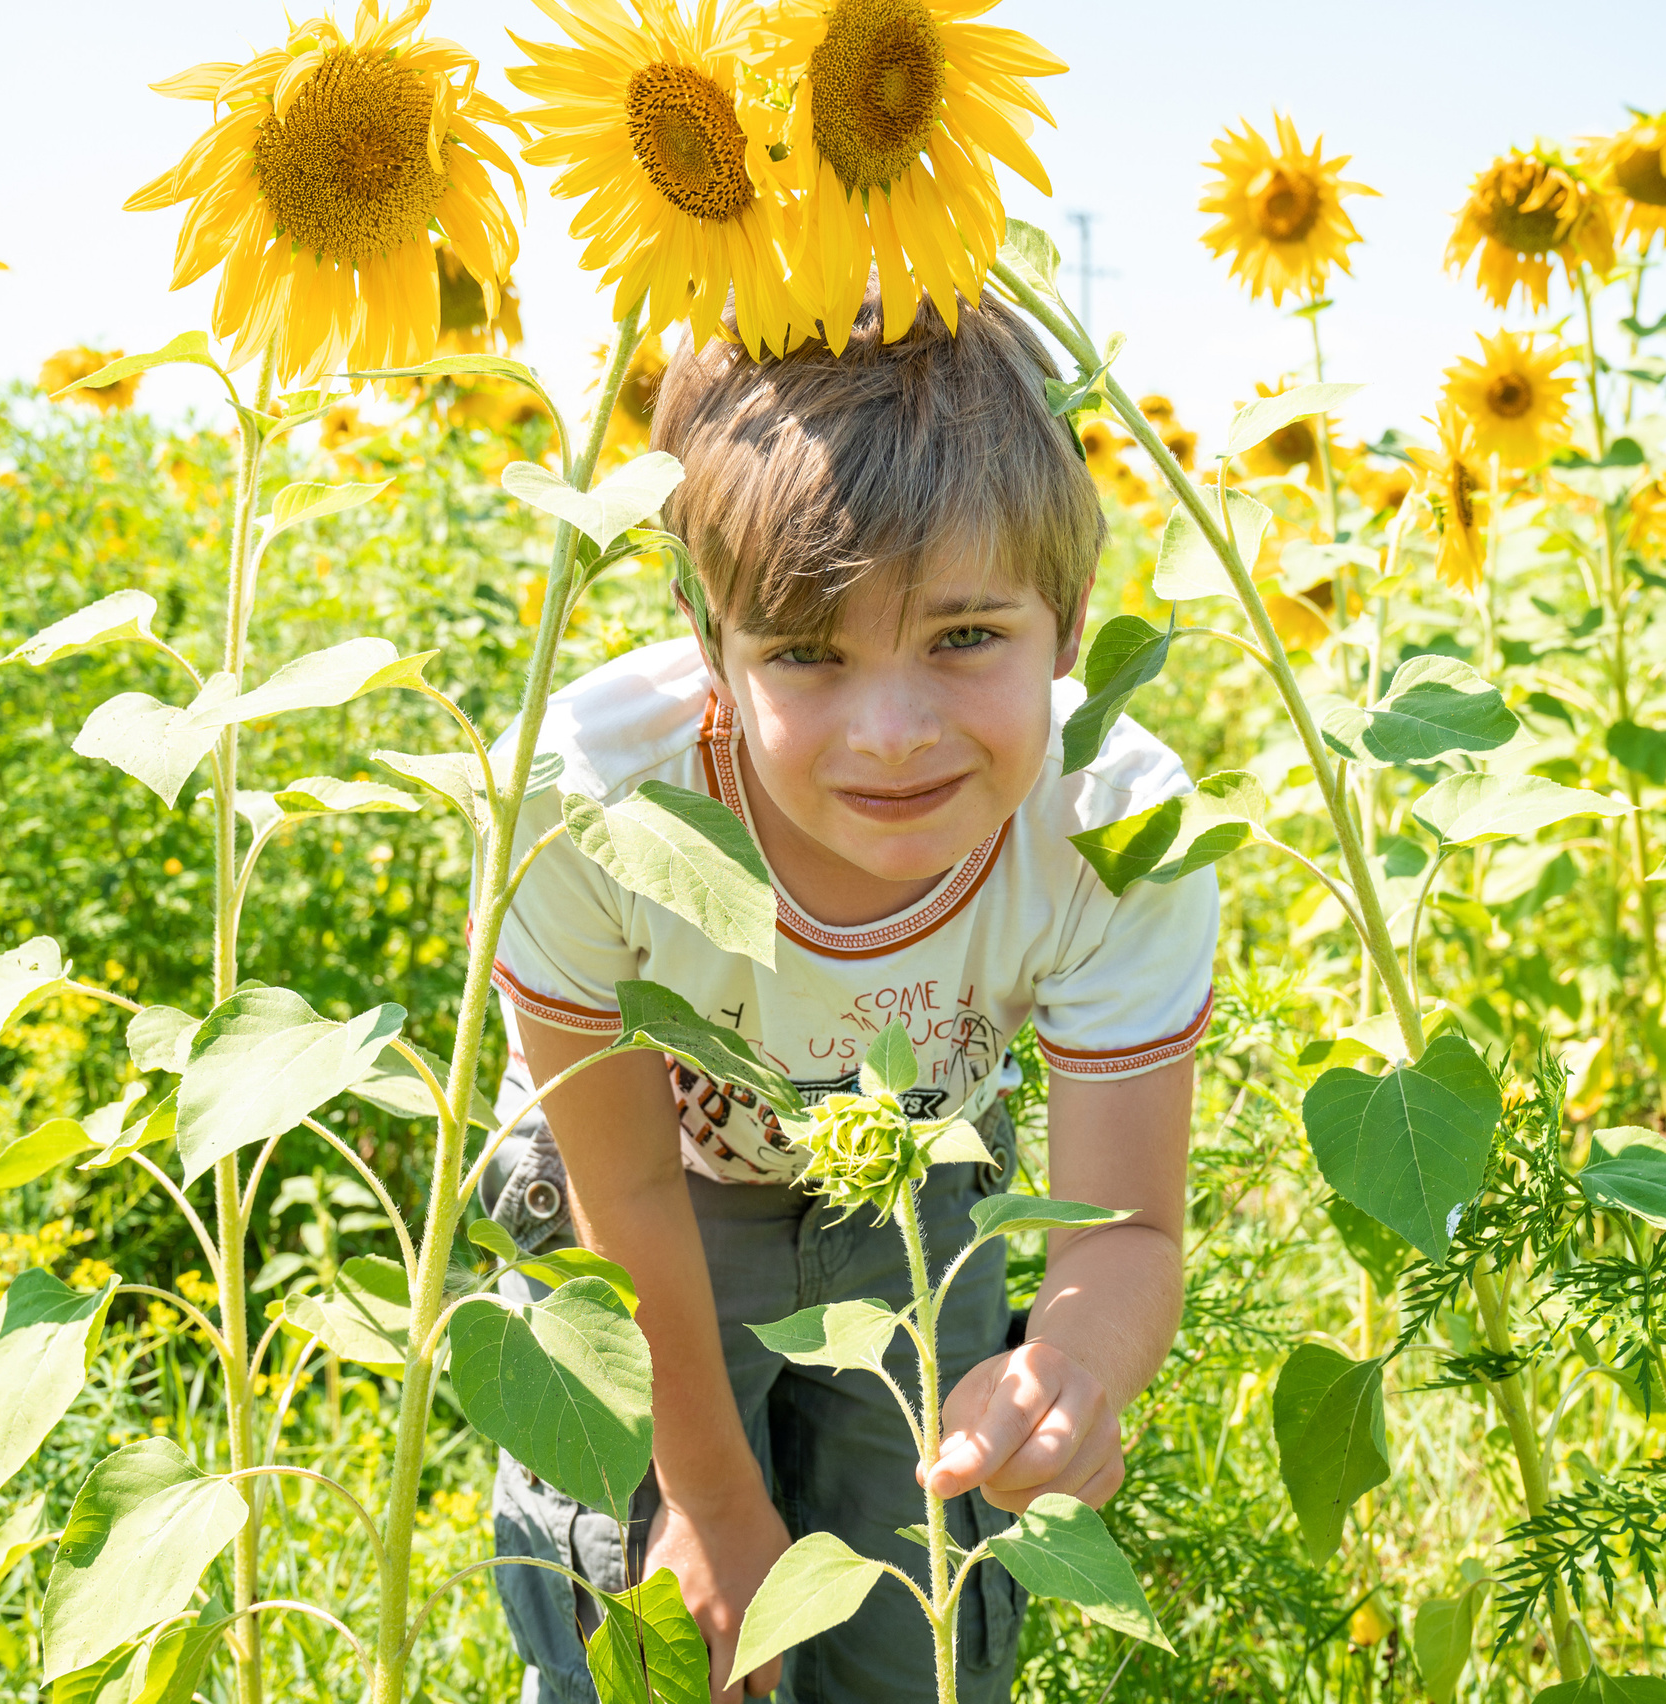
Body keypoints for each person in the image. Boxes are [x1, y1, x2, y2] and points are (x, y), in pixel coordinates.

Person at [481, 282, 1217, 1703]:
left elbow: (1127, 1227)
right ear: (710, 640)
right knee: (657, 1628)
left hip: (915, 1185)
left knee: (926, 1606)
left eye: (963, 639)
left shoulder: (1117, 831)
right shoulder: (590, 804)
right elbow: (619, 1192)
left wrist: (1075, 1363)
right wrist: (708, 1498)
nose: (892, 737)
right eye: (807, 653)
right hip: (649, 1191)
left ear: (1068, 628)